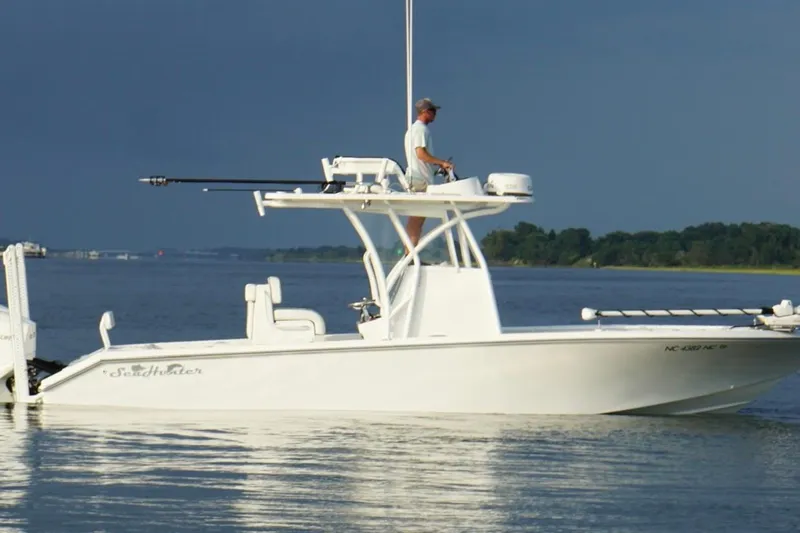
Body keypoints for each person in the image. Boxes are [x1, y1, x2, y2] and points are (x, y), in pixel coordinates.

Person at [403, 97, 455, 251]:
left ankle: (409, 254)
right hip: (420, 179)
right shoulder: (420, 130)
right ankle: (410, 256)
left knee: (416, 220)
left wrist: (437, 166)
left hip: (416, 176)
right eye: (433, 111)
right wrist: (442, 163)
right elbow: (421, 154)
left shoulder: (412, 130)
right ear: (425, 112)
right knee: (417, 219)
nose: (435, 114)